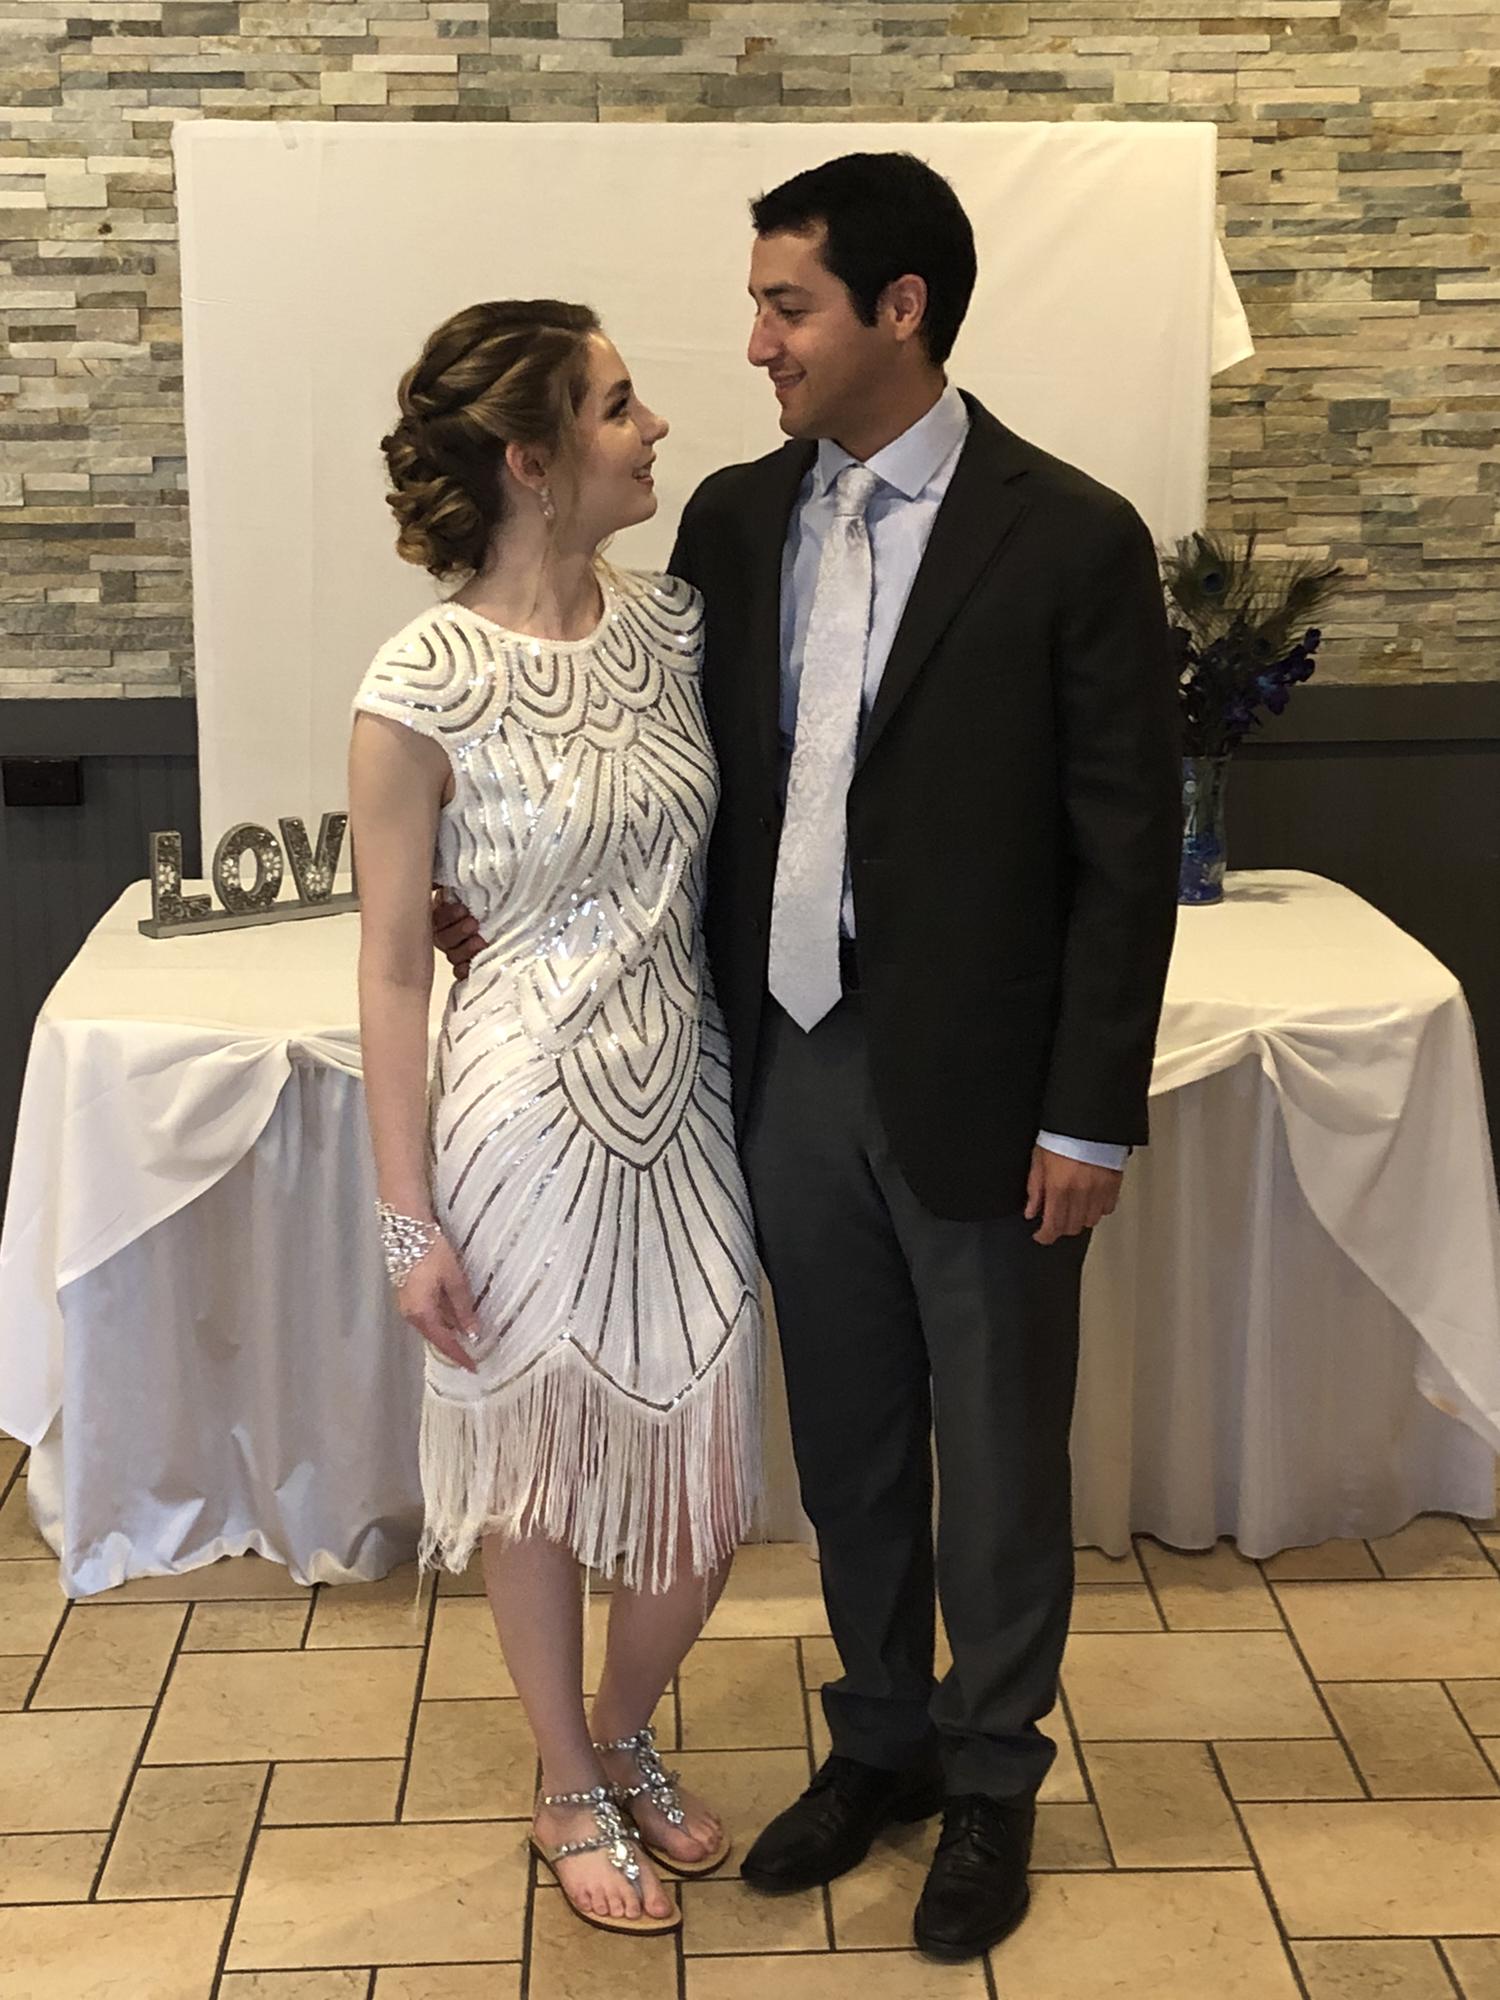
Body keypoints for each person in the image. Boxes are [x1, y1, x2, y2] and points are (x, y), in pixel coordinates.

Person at [435, 151, 1180, 1964]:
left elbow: (1124, 853)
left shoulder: (1070, 536)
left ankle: (993, 1781)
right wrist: (488, 897)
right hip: (781, 1066)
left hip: (991, 1091)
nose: (757, 342)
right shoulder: (736, 523)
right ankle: (884, 1743)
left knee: (997, 1457)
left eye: (789, 306)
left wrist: (1090, 1115)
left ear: (898, 310)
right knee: (847, 1444)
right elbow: (639, 755)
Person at [350, 299, 763, 1939]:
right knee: (530, 1465)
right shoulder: (418, 682)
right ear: (532, 460)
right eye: (617, 404)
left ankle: (621, 1725)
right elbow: (394, 968)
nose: (653, 427)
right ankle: (570, 1779)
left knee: (703, 1477)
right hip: (516, 1112)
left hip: (689, 1099)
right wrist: (408, 1219)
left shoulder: (681, 628)